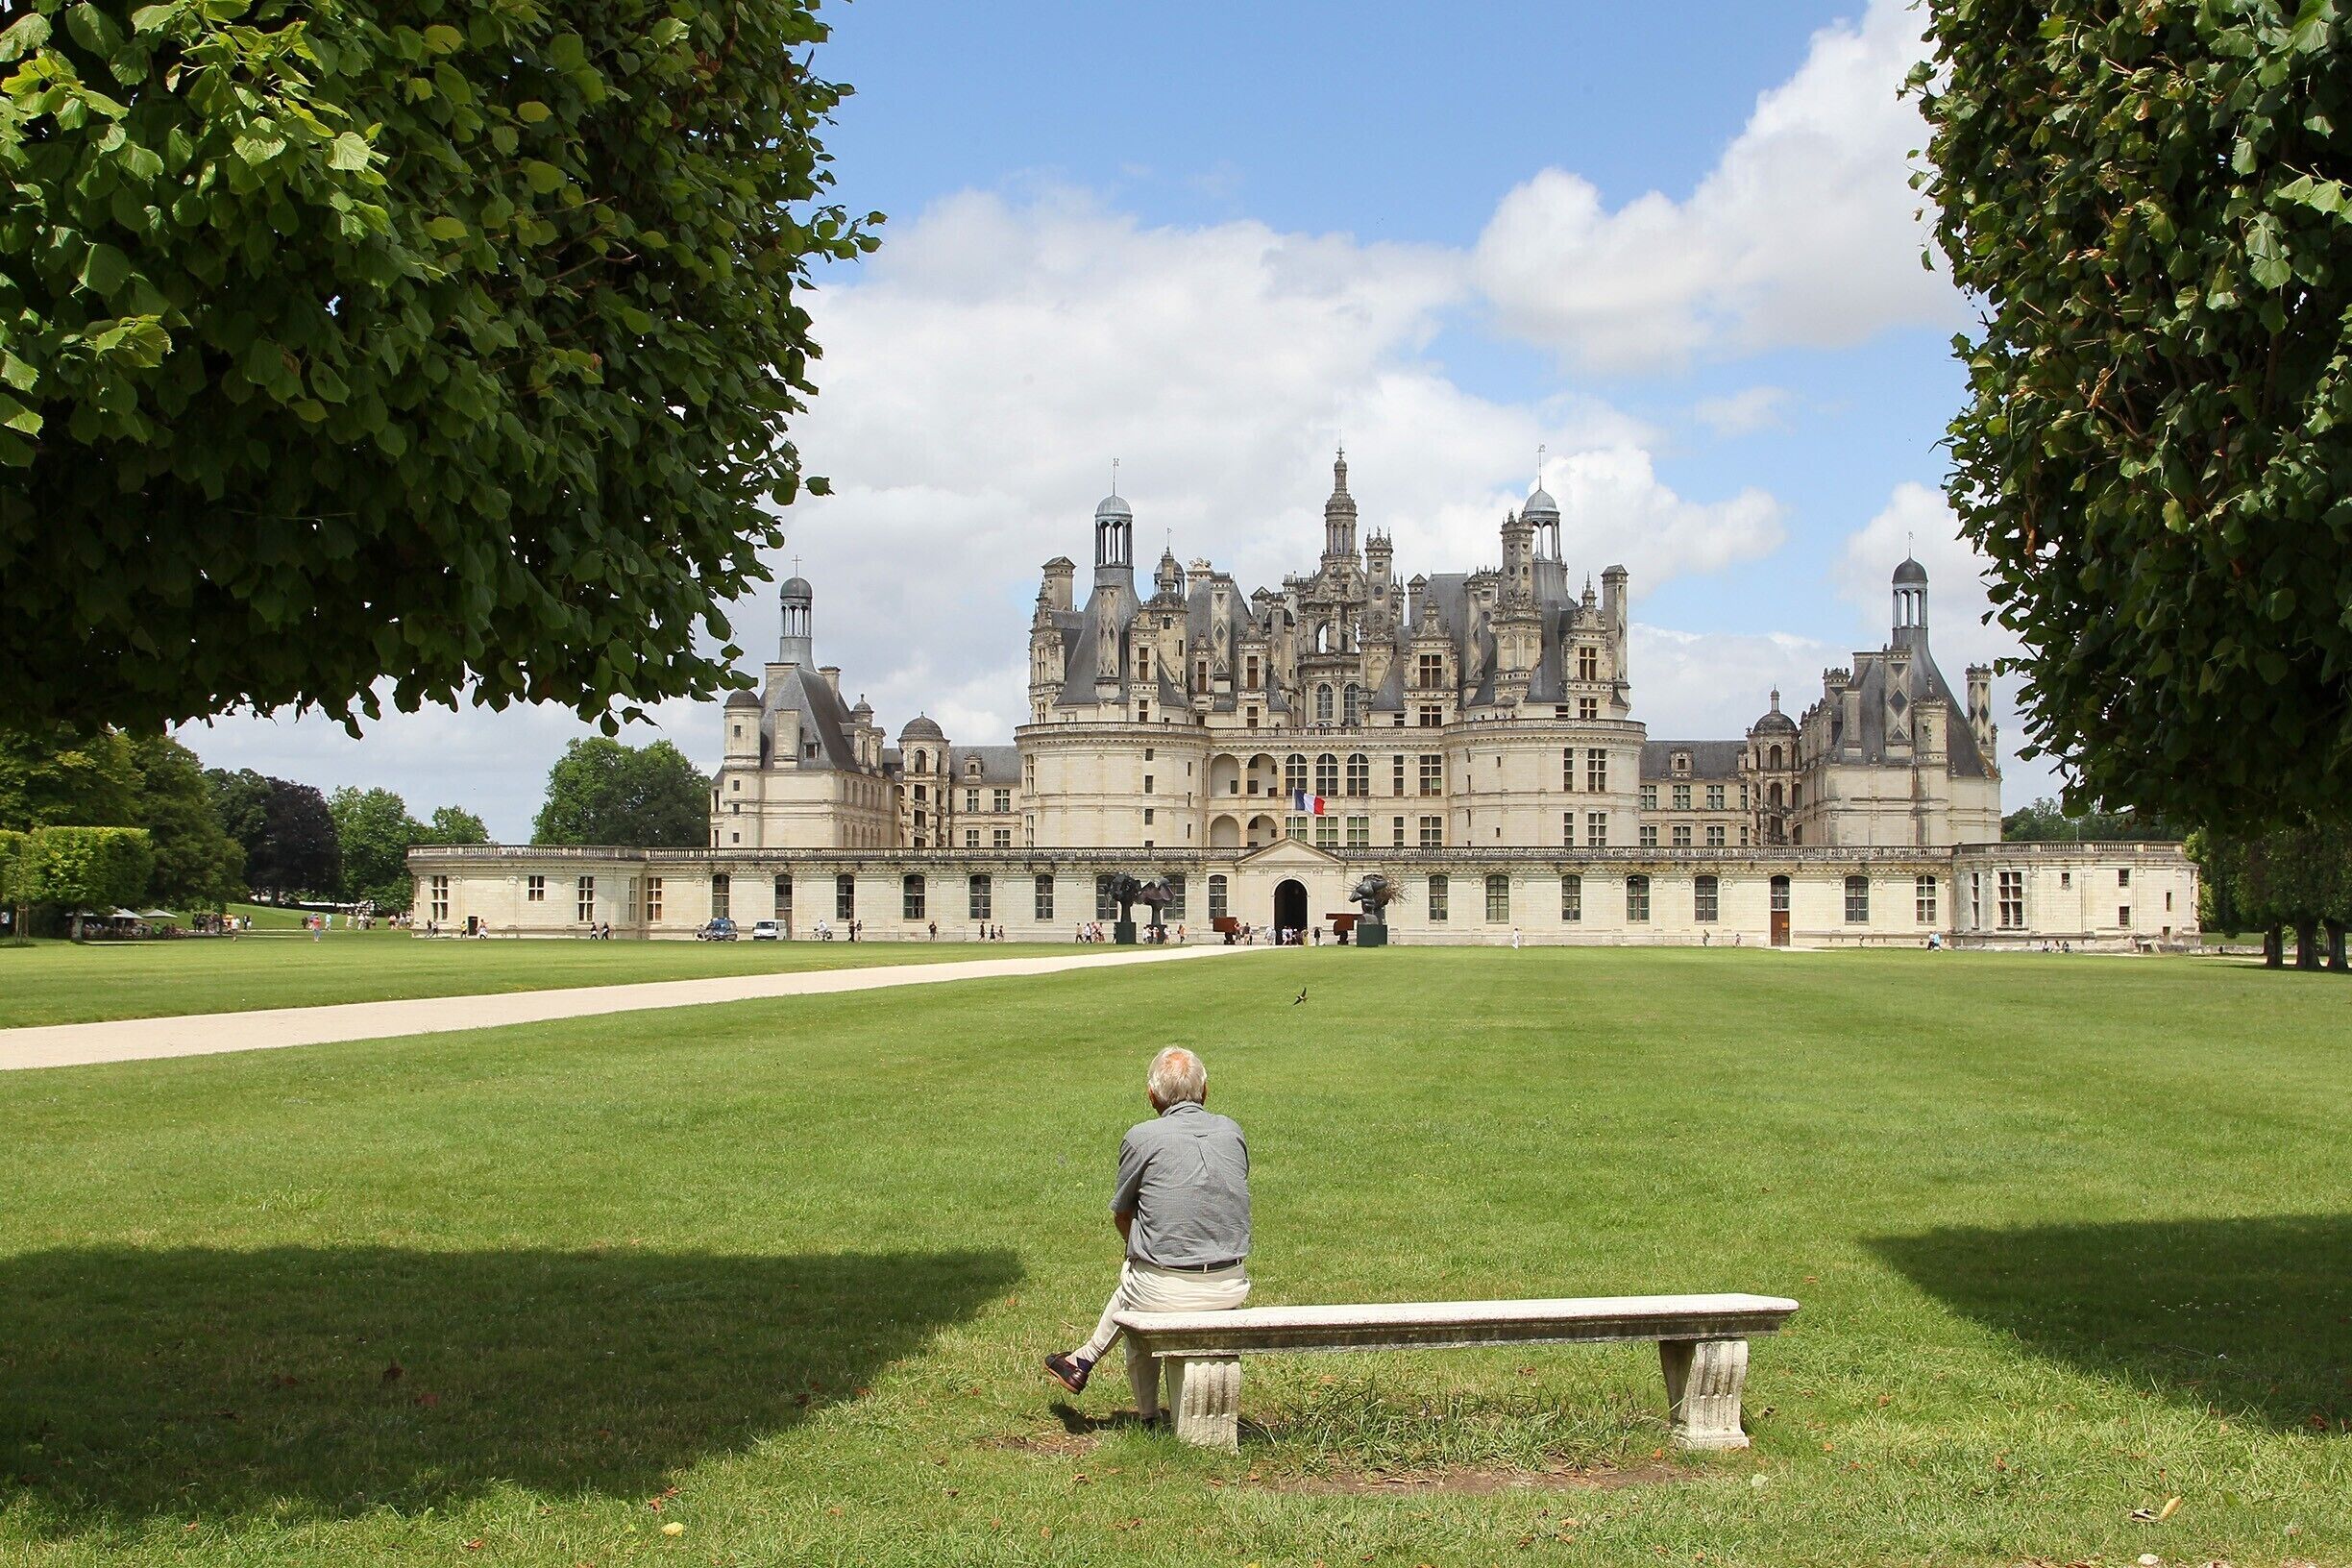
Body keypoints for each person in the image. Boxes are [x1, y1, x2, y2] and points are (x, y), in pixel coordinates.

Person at [1044, 1047, 1250, 1424]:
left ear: (1152, 1096)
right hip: (1230, 1284)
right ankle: (1086, 1363)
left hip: (1163, 1289)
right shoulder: (1231, 1131)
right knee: (1141, 1283)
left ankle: (1127, 1396)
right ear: (1205, 1091)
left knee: (1137, 1288)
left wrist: (1138, 1249)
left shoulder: (1142, 1137)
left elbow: (1123, 1213)